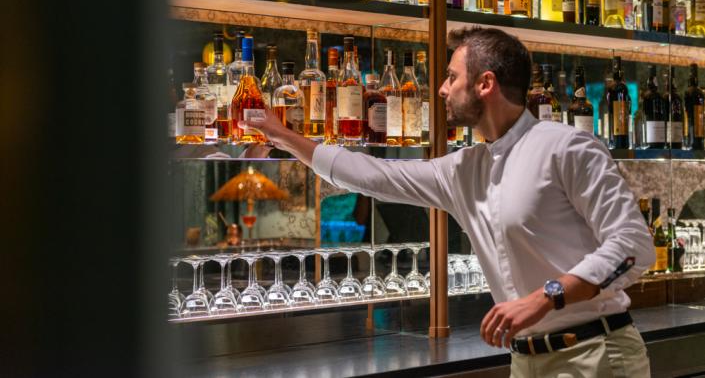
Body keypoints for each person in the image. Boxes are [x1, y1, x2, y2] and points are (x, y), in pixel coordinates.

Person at [241, 27, 655, 377]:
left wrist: (544, 297)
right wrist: (284, 138)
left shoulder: (566, 146)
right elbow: (375, 176)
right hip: (527, 362)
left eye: (451, 77)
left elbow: (633, 246)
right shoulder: (463, 168)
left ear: (485, 84)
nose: (441, 89)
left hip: (596, 354)